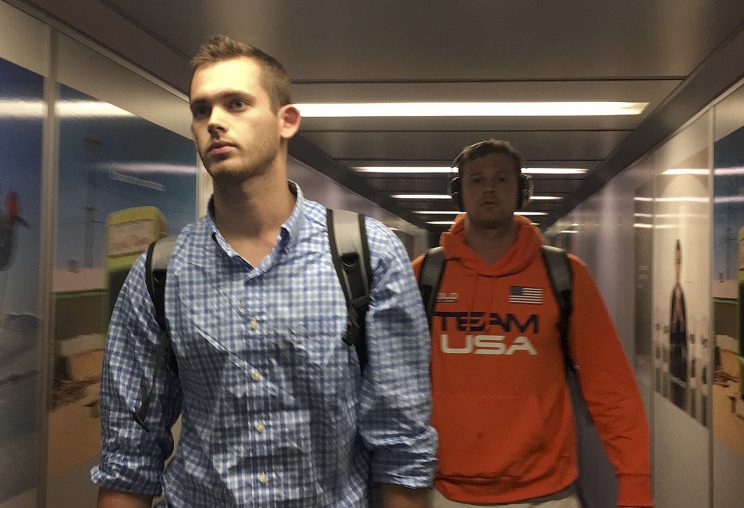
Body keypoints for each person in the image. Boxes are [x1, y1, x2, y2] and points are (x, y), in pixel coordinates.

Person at [91, 35, 436, 507]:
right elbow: (129, 456)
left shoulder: (366, 255)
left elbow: (401, 448)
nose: (214, 122)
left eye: (236, 104)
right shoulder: (159, 273)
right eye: (201, 110)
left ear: (286, 120)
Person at [412, 139, 653, 508]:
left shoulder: (564, 275)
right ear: (459, 192)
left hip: (546, 492)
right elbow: (388, 385)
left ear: (521, 191)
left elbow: (610, 386)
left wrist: (634, 479)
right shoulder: (426, 275)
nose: (489, 188)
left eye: (501, 179)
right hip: (443, 490)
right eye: (476, 180)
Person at [669, 239, 688, 409]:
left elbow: (684, 324)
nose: (678, 267)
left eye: (680, 262)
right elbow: (671, 324)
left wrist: (679, 313)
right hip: (673, 353)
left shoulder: (681, 294)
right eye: (676, 262)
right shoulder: (673, 293)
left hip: (681, 352)